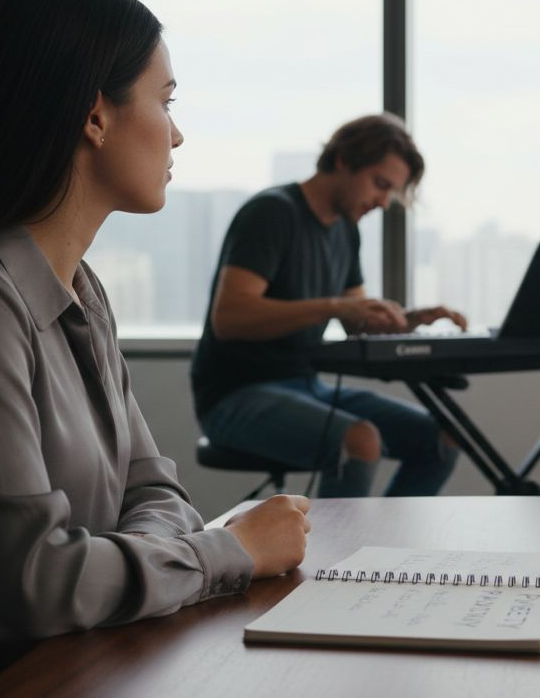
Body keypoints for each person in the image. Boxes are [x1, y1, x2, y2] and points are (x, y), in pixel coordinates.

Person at [0, 0, 311, 689]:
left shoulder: (83, 294)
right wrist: (229, 551)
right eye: (165, 101)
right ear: (95, 116)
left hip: (75, 662)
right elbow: (37, 582)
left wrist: (127, 561)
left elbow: (154, 491)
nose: (178, 130)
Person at [190, 114, 465, 498]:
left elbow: (358, 322)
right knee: (360, 441)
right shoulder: (271, 212)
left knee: (441, 437)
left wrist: (413, 319)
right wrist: (332, 306)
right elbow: (230, 318)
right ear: (342, 161)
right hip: (235, 395)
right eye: (380, 185)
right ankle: (331, 558)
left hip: (308, 385)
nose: (384, 202)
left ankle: (389, 547)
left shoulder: (345, 230)